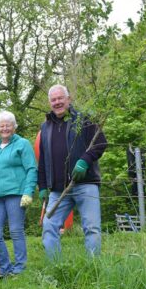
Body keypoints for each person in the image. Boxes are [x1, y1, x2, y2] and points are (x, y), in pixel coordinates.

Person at [37, 84, 107, 257]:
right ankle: (56, 268)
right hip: (59, 189)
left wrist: (85, 160)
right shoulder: (45, 128)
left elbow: (100, 143)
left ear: (69, 99)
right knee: (49, 226)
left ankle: (93, 268)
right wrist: (43, 186)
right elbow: (43, 159)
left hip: (86, 184)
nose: (57, 102)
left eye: (61, 98)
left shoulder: (84, 119)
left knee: (92, 228)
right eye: (53, 100)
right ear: (49, 103)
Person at [0, 111, 38, 276]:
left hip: (16, 194)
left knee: (15, 230)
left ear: (14, 126)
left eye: (8, 125)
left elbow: (32, 168)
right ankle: (5, 265)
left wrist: (28, 192)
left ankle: (19, 268)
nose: (5, 128)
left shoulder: (22, 144)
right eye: (1, 125)